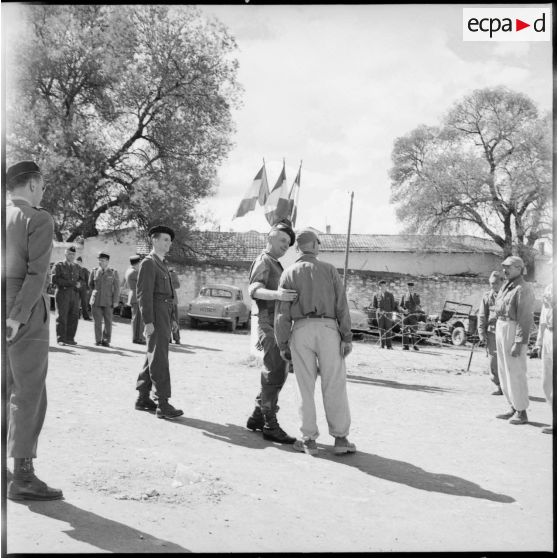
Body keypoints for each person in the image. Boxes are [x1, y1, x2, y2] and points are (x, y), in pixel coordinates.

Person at [5, 160, 63, 500]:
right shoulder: (38, 218)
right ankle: (22, 476)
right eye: (41, 187)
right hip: (22, 309)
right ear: (31, 185)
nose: (42, 193)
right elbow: (37, 272)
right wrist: (18, 315)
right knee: (28, 391)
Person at [275, 228, 355, 456]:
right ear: (316, 245)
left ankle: (309, 439)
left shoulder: (289, 273)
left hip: (300, 330)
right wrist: (346, 337)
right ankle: (341, 439)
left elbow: (282, 313)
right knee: (334, 384)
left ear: (298, 248)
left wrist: (283, 343)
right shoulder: (329, 270)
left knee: (305, 386)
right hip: (329, 329)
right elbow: (342, 305)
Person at [245, 221, 298, 444]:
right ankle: (269, 424)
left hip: (275, 325)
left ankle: (257, 417)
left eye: (289, 243)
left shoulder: (275, 263)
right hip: (269, 324)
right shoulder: (264, 260)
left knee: (277, 373)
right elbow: (254, 290)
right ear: (271, 238)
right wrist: (278, 295)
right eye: (283, 240)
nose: (286, 245)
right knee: (274, 374)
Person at [135, 225, 183, 419]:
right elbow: (143, 294)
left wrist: (172, 319)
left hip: (164, 313)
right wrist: (148, 321)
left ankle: (142, 397)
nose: (168, 243)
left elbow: (169, 295)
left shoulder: (162, 263)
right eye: (164, 239)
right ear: (154, 240)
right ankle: (162, 403)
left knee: (152, 356)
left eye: (170, 241)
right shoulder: (149, 263)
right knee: (159, 358)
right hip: (154, 314)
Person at [494, 255, 535, 425]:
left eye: (509, 267)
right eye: (504, 267)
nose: (505, 270)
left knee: (516, 371)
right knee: (504, 370)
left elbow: (524, 318)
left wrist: (519, 342)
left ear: (519, 268)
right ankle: (512, 405)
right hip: (501, 325)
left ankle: (522, 411)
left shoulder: (523, 288)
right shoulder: (506, 286)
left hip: (512, 327)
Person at [531, 280, 554, 434]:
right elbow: (543, 320)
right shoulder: (550, 288)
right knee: (546, 384)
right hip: (548, 336)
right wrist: (539, 343)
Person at [477, 271, 505, 395]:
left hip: (506, 332)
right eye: (491, 284)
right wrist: (481, 333)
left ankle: (509, 387)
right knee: (493, 361)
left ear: (502, 282)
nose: (493, 286)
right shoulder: (487, 296)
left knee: (507, 361)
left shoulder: (508, 295)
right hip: (492, 333)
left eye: (495, 283)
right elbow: (482, 315)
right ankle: (498, 385)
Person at [88, 252, 120, 347]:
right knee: (97, 321)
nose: (100, 262)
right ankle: (98, 340)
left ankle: (106, 340)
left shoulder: (113, 272)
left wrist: (115, 301)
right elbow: (91, 285)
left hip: (108, 301)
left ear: (107, 261)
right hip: (96, 300)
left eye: (102, 260)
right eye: (99, 260)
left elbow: (117, 288)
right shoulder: (94, 271)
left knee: (108, 321)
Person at [51, 245, 81, 346]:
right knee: (62, 316)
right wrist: (71, 283)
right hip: (62, 293)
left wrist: (80, 284)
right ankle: (61, 339)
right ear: (65, 254)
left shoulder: (77, 267)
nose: (71, 256)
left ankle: (70, 338)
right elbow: (55, 280)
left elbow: (81, 280)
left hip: (74, 295)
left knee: (74, 317)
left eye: (73, 254)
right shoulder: (59, 265)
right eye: (69, 253)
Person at [125, 255, 146, 344]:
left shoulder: (130, 271)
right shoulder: (134, 272)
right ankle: (138, 338)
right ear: (136, 263)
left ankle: (137, 337)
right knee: (138, 319)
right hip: (137, 296)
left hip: (134, 296)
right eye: (139, 263)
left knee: (137, 318)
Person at [372, 280, 398, 349]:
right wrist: (378, 310)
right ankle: (382, 345)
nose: (383, 287)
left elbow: (393, 306)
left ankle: (389, 345)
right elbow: (374, 306)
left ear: (386, 286)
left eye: (384, 286)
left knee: (388, 329)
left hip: (388, 315)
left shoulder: (390, 295)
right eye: (381, 286)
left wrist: (388, 312)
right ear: (379, 287)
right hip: (380, 315)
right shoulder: (376, 295)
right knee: (381, 329)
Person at [400, 282, 421, 351]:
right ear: (407, 288)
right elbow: (400, 306)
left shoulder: (416, 295)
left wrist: (412, 295)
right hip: (405, 316)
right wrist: (403, 310)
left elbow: (418, 303)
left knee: (414, 331)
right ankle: (405, 346)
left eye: (411, 287)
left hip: (413, 316)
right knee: (405, 331)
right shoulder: (404, 295)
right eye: (409, 287)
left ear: (413, 288)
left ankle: (414, 345)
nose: (410, 288)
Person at [76, 256, 92, 321]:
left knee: (84, 303)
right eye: (77, 262)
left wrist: (88, 288)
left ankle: (85, 316)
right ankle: (77, 315)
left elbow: (87, 279)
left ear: (81, 263)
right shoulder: (74, 269)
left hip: (83, 288)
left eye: (79, 262)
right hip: (76, 287)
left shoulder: (84, 270)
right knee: (76, 302)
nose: (78, 263)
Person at [168, 267, 181, 345]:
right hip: (164, 300)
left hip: (172, 300)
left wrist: (169, 283)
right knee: (166, 320)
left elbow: (177, 285)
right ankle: (168, 338)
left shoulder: (172, 273)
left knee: (175, 320)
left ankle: (177, 338)